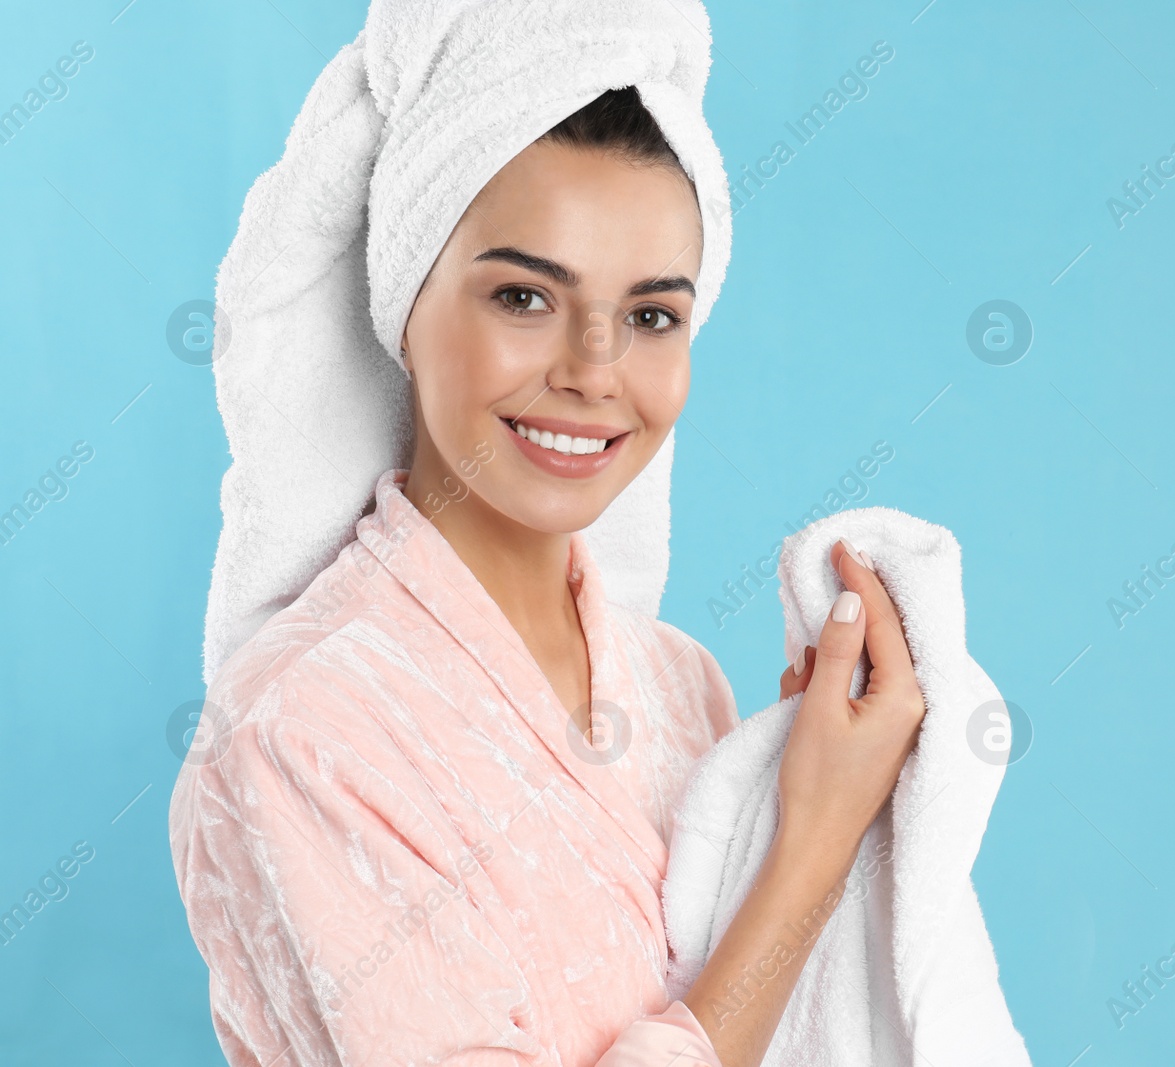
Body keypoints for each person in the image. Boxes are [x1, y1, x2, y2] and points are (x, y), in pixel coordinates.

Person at [169, 85, 927, 1067]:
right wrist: (810, 850)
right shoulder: (298, 729)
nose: (596, 369)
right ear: (404, 308)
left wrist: (806, 801)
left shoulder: (679, 681)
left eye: (651, 314)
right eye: (525, 297)